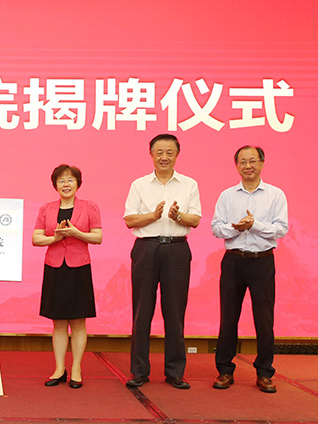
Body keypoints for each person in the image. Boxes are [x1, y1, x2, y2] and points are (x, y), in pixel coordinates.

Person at [123, 134, 201, 390]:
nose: (164, 157)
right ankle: (139, 371)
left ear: (177, 154)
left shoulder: (189, 184)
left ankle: (175, 372)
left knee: (175, 312)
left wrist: (179, 217)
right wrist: (153, 216)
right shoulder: (139, 184)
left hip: (177, 249)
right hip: (146, 248)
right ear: (151, 155)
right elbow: (130, 220)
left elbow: (195, 220)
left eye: (169, 152)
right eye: (159, 152)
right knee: (141, 312)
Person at [211, 146, 287, 393]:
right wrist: (236, 228)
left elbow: (281, 228)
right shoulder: (227, 196)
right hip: (233, 261)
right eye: (242, 161)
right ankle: (224, 370)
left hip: (262, 261)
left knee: (264, 320)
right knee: (228, 317)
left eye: (252, 161)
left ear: (262, 163)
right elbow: (216, 228)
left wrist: (254, 225)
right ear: (236, 166)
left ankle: (264, 372)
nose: (248, 166)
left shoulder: (275, 195)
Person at [33, 164, 102, 389]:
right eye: (61, 180)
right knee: (59, 322)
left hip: (79, 267)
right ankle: (59, 369)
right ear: (55, 184)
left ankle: (77, 369)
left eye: (70, 180)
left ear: (78, 183)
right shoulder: (46, 208)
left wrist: (76, 233)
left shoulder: (90, 207)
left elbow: (98, 237)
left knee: (79, 321)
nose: (66, 184)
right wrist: (54, 238)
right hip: (55, 267)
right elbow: (36, 238)